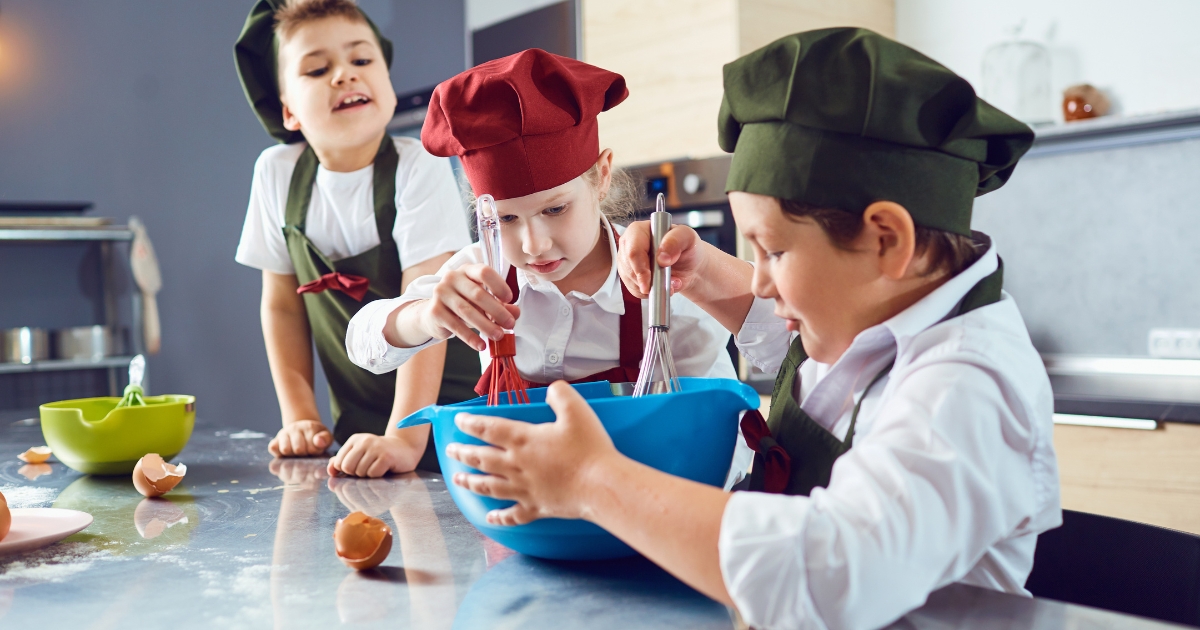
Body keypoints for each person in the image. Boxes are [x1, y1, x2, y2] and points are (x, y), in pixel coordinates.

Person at [441, 29, 1061, 630]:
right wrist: (701, 268)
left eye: (775, 252)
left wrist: (594, 481)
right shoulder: (879, 316)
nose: (760, 282)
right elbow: (780, 328)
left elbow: (835, 574)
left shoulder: (965, 383)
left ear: (887, 241)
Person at [346, 49, 747, 485]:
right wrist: (424, 316)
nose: (534, 244)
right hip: (525, 509)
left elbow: (718, 433)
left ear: (603, 175)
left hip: (651, 502)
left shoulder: (664, 284)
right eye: (507, 219)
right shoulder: (484, 267)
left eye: (556, 209)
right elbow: (362, 342)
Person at [232, 0, 479, 476]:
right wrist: (300, 415)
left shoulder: (417, 164)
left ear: (386, 81)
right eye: (318, 68)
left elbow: (425, 304)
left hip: (454, 417)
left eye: (361, 60)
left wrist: (404, 438)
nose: (344, 75)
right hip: (363, 428)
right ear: (288, 111)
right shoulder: (276, 174)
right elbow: (281, 305)